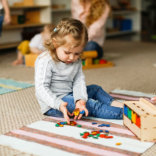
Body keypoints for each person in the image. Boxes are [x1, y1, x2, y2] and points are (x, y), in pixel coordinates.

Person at [35, 18, 123, 124]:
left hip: (70, 94)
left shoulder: (75, 60)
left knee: (95, 89)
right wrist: (58, 104)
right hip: (55, 104)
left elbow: (78, 81)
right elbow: (41, 88)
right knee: (91, 105)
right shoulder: (45, 60)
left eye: (77, 53)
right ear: (55, 43)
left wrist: (80, 99)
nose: (72, 57)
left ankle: (118, 105)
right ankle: (124, 114)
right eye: (67, 52)